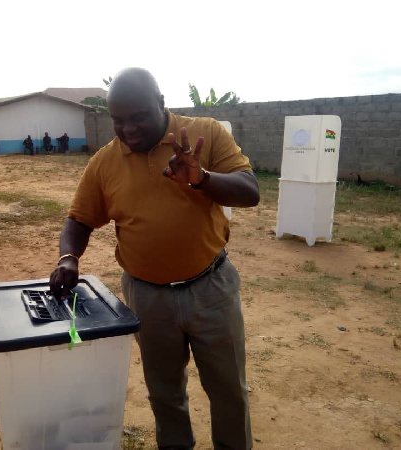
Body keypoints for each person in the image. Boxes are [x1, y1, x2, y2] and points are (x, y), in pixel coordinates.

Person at [49, 68, 260, 450]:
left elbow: (250, 191)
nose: (127, 128)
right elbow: (78, 219)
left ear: (161, 104)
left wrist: (202, 178)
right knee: (164, 394)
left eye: (138, 116)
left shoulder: (204, 134)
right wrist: (68, 258)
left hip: (210, 287)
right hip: (147, 297)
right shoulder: (104, 162)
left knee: (229, 390)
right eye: (118, 120)